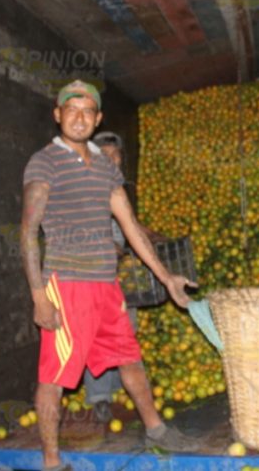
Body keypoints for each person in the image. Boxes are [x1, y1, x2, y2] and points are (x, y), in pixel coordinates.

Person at [21, 80, 200, 471]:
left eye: (87, 111)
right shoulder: (45, 162)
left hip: (106, 285)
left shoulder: (104, 167)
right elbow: (28, 232)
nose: (79, 118)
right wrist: (39, 296)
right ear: (58, 115)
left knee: (129, 359)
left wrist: (167, 277)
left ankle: (156, 430)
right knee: (54, 376)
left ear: (98, 118)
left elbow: (131, 227)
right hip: (67, 285)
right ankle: (51, 462)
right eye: (71, 110)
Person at [82, 130, 166, 424]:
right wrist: (109, 246)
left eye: (116, 155)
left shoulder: (116, 188)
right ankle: (99, 397)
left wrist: (153, 236)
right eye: (105, 155)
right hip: (93, 275)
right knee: (98, 335)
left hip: (119, 274)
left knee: (125, 330)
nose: (112, 160)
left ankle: (120, 388)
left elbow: (129, 223)